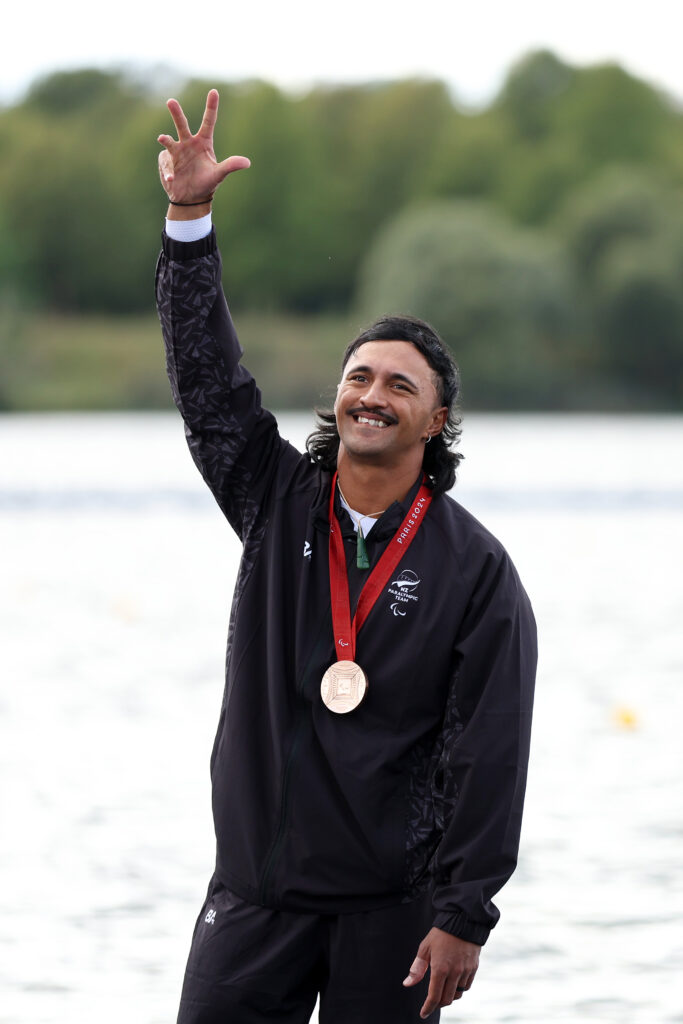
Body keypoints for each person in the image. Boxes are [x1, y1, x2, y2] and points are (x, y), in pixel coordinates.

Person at [156, 89, 537, 1024]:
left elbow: (489, 752)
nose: (371, 395)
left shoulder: (475, 571)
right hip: (256, 895)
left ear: (436, 418)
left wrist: (464, 913)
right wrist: (189, 221)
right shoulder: (273, 496)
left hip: (394, 912)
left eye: (398, 385)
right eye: (358, 376)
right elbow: (208, 381)